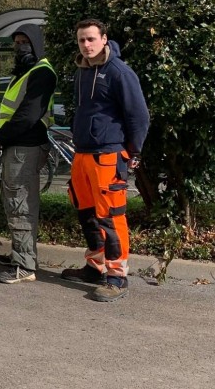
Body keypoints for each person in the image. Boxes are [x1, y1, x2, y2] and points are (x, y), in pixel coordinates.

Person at [60, 19, 149, 302]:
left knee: (110, 216)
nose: (86, 45)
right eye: (81, 40)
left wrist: (133, 152)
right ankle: (95, 267)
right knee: (86, 213)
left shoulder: (119, 72)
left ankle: (117, 276)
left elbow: (138, 116)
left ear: (104, 39)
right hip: (83, 153)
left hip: (108, 155)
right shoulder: (83, 71)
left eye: (91, 39)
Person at [0, 24, 57, 284]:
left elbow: (28, 115)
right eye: (16, 43)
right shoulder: (23, 72)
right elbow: (5, 109)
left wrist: (0, 136)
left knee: (21, 205)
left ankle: (25, 265)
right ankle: (21, 255)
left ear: (36, 44)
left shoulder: (42, 72)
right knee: (14, 203)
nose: (20, 47)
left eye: (25, 42)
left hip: (25, 147)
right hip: (14, 146)